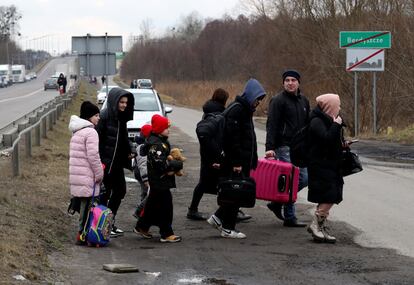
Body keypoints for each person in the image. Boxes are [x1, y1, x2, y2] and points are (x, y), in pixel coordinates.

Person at [207, 78, 266, 239]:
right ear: (251, 95)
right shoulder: (238, 110)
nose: (258, 103)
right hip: (236, 162)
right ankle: (228, 228)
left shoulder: (243, 109)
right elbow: (233, 140)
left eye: (260, 100)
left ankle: (217, 218)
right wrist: (237, 162)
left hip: (240, 160)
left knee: (234, 193)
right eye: (257, 99)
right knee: (235, 193)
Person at [187, 88, 252, 222]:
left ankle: (194, 209)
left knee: (204, 183)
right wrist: (218, 153)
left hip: (207, 152)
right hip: (216, 153)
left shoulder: (207, 110)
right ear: (224, 100)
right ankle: (230, 211)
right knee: (228, 182)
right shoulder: (220, 113)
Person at [265, 69, 310, 227]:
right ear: (283, 83)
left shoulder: (304, 101)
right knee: (292, 180)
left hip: (300, 147)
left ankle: (278, 201)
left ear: (298, 82)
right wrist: (269, 147)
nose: (290, 83)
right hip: (284, 146)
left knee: (304, 178)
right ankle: (290, 217)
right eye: (287, 80)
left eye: (293, 80)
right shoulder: (278, 101)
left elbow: (307, 125)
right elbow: (272, 124)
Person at [134, 115, 183, 243]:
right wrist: (177, 164)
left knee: (152, 204)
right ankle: (166, 233)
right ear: (159, 129)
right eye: (166, 128)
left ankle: (142, 226)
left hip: (158, 181)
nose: (168, 130)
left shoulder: (160, 141)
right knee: (166, 206)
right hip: (159, 181)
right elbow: (160, 165)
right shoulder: (157, 145)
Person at [306, 94, 345, 243]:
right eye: (337, 105)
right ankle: (316, 225)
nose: (339, 108)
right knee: (330, 194)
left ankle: (320, 226)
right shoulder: (316, 121)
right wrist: (336, 125)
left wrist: (343, 144)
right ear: (330, 106)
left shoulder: (328, 120)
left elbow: (332, 140)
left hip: (330, 164)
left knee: (330, 194)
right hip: (320, 165)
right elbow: (326, 140)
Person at [96, 87, 135, 237]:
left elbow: (124, 138)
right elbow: (97, 141)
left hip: (117, 163)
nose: (124, 105)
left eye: (126, 102)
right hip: (106, 164)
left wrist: (131, 149)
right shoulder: (104, 117)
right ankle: (103, 225)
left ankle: (109, 222)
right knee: (105, 195)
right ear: (114, 101)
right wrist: (100, 163)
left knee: (120, 191)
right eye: (122, 102)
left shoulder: (121, 118)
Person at [68, 101, 103, 245]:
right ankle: (84, 235)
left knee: (83, 205)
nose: (98, 118)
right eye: (96, 115)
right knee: (89, 207)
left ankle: (81, 234)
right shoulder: (91, 132)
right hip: (87, 175)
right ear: (89, 117)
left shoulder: (77, 131)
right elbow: (93, 155)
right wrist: (99, 173)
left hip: (78, 175)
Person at [132, 124, 152, 219]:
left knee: (144, 192)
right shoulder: (142, 147)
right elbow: (143, 164)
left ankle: (144, 212)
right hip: (142, 173)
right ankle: (140, 211)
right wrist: (145, 178)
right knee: (149, 192)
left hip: (139, 172)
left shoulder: (141, 145)